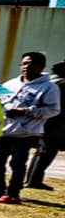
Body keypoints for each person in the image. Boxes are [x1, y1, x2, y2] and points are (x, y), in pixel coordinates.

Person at [0, 52, 60, 204]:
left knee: (17, 164)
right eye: (24, 63)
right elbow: (0, 101)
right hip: (5, 130)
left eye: (31, 64)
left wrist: (26, 111)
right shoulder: (10, 84)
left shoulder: (49, 87)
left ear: (41, 66)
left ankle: (13, 193)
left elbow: (53, 110)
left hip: (25, 133)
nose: (26, 67)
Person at [31, 59, 65, 191]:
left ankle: (33, 179)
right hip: (55, 124)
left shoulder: (50, 81)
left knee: (43, 151)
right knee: (47, 151)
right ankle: (34, 180)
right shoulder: (61, 83)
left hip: (46, 121)